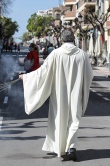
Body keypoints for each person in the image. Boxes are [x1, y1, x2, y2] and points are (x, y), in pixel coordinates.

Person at [19, 28, 93, 161]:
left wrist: (26, 77)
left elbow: (43, 72)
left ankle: (60, 148)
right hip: (76, 92)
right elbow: (89, 75)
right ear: (73, 39)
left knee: (60, 118)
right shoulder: (82, 54)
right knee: (74, 120)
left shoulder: (56, 54)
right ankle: (71, 147)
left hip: (59, 93)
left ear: (62, 40)